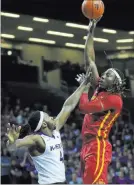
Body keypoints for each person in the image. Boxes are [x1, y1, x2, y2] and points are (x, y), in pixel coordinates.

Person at [6, 72, 91, 185]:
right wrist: (12, 142)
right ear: (44, 124)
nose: (52, 117)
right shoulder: (37, 139)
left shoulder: (55, 130)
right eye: (48, 117)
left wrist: (83, 85)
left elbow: (68, 106)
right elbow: (13, 147)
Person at [76, 19, 126, 184]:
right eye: (104, 73)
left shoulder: (114, 100)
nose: (103, 75)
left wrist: (84, 87)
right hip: (87, 144)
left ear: (116, 84)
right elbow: (90, 60)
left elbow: (83, 108)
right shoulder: (101, 88)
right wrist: (90, 34)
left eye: (108, 75)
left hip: (97, 145)